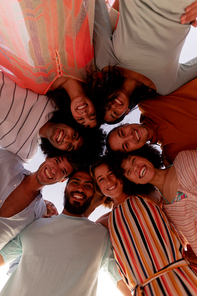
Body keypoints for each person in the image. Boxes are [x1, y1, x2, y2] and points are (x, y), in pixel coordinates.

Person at [0, 170, 131, 296]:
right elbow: (3, 256)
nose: (80, 188)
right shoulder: (35, 225)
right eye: (75, 182)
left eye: (88, 186)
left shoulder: (101, 235)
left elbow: (119, 278)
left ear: (93, 195)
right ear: (65, 188)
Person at [90, 156, 197, 295]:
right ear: (99, 188)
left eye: (111, 173)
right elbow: (104, 261)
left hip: (183, 276)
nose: (108, 181)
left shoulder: (150, 196)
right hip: (147, 290)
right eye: (101, 179)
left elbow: (182, 212)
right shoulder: (104, 223)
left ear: (120, 173)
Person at [93, 0, 197, 123]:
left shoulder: (106, 63)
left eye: (106, 106)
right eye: (115, 113)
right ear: (126, 112)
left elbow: (97, 6)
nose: (113, 106)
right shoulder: (165, 85)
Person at [0, 72, 104, 163]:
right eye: (74, 135)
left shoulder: (25, 154)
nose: (67, 140)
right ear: (74, 123)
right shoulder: (51, 98)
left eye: (69, 147)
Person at [118, 143, 197, 257]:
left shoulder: (184, 159)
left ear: (144, 156)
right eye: (129, 172)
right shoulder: (166, 214)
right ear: (133, 182)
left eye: (133, 160)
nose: (135, 167)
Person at [106, 77, 197, 163]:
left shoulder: (147, 101)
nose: (130, 137)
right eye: (126, 145)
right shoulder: (173, 154)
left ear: (124, 124)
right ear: (133, 152)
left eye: (122, 133)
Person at [0, 148, 74, 250]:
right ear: (47, 157)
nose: (54, 170)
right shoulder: (7, 161)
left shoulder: (40, 214)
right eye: (56, 161)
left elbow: (17, 250)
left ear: (63, 180)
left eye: (63, 171)